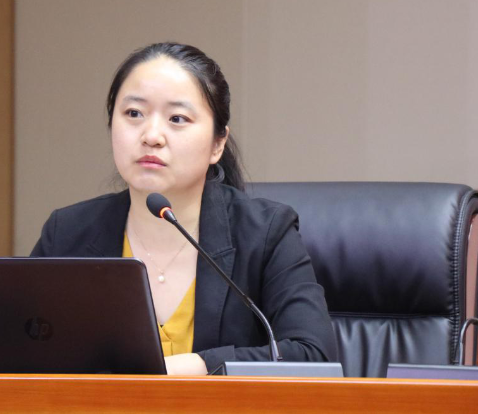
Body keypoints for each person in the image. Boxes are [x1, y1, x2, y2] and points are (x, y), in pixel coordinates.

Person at [31, 42, 336, 374]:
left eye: (177, 118)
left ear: (217, 144)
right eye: (134, 114)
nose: (152, 136)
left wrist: (197, 365)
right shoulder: (68, 233)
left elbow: (313, 356)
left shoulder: (265, 234)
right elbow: (17, 352)